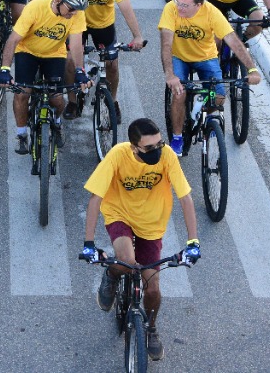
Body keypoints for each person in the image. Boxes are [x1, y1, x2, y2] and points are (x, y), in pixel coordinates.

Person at [79, 117, 201, 362]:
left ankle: (151, 328)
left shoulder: (167, 156)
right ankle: (111, 276)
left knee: (153, 287)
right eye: (149, 148)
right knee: (126, 260)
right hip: (119, 214)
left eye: (159, 144)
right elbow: (95, 198)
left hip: (152, 223)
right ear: (133, 147)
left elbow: (185, 198)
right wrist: (89, 244)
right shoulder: (117, 155)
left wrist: (193, 242)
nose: (157, 150)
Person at [158, 0, 261, 155]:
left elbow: (233, 41)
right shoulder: (171, 9)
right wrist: (169, 75)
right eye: (178, 2)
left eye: (185, 5)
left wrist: (252, 69)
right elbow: (166, 44)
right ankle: (177, 137)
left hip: (206, 57)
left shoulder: (211, 12)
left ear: (199, 5)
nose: (179, 7)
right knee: (179, 93)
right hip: (179, 57)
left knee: (219, 98)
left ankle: (204, 113)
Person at [0, 0, 88, 157]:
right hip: (27, 51)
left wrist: (80, 70)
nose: (73, 13)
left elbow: (77, 44)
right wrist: (5, 69)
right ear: (58, 0)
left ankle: (56, 122)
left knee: (56, 98)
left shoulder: (76, 13)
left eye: (76, 10)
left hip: (54, 53)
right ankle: (21, 134)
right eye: (70, 9)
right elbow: (13, 40)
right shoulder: (35, 8)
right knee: (22, 93)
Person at [69, 0, 144, 118]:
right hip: (77, 24)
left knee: (112, 65)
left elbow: (125, 7)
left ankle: (113, 100)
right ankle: (72, 102)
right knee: (70, 62)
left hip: (103, 24)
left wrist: (137, 35)